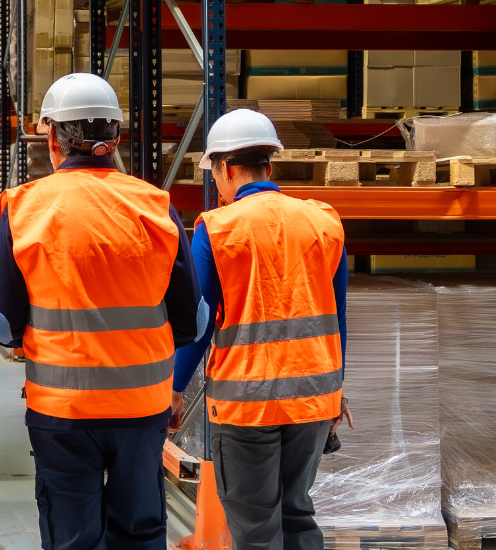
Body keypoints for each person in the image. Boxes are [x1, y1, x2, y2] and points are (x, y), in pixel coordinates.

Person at [0, 73, 202, 550]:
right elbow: (193, 320)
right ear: (116, 137)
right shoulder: (156, 207)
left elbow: (2, 324)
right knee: (138, 531)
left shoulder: (23, 208)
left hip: (62, 410)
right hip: (143, 405)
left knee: (72, 535)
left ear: (51, 136)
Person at [172, 109, 350, 550]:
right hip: (312, 398)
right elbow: (337, 315)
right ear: (269, 164)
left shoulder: (216, 228)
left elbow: (197, 324)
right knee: (297, 514)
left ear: (226, 169)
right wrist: (335, 390)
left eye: (214, 173)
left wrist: (174, 389)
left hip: (246, 405)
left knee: (255, 527)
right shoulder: (324, 221)